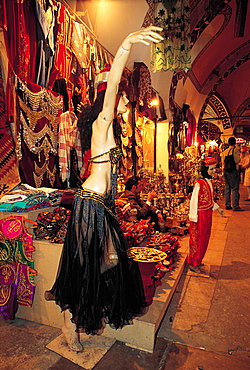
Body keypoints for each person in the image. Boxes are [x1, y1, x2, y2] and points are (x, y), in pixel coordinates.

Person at [45, 27, 163, 352]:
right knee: (85, 269)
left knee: (110, 263)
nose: (127, 99)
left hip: (103, 206)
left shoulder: (116, 131)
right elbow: (112, 85)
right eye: (124, 96)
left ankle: (80, 319)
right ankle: (69, 325)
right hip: (89, 205)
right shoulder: (102, 123)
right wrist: (126, 43)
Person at [188, 157, 225, 273]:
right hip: (200, 215)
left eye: (214, 169)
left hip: (207, 214)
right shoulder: (199, 183)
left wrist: (217, 208)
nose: (213, 171)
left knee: (205, 237)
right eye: (211, 169)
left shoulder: (208, 182)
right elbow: (194, 200)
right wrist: (193, 217)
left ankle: (199, 259)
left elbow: (208, 199)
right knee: (198, 238)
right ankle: (193, 262)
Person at [221, 137, 243, 211]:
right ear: (235, 143)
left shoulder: (225, 151)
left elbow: (223, 162)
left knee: (227, 188)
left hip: (226, 171)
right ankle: (235, 206)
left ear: (228, 143)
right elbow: (237, 160)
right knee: (234, 188)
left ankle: (227, 204)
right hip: (233, 171)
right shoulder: (235, 150)